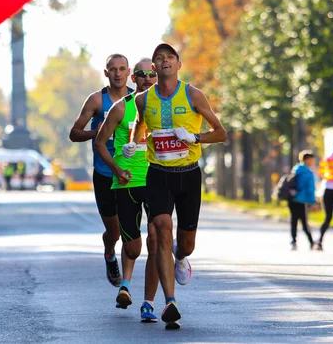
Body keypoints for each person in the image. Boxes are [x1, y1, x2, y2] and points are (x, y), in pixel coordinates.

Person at [125, 43, 227, 329]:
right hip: (158, 173)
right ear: (154, 68)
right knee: (160, 227)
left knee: (186, 244)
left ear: (178, 64)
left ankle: (181, 257)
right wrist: (134, 142)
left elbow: (220, 133)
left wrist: (195, 138)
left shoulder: (193, 94)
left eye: (169, 57)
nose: (164, 61)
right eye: (159, 58)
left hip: (189, 174)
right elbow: (139, 122)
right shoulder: (144, 100)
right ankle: (170, 302)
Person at [95, 58, 159, 322]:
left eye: (151, 73)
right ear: (136, 79)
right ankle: (125, 283)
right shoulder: (121, 108)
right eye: (142, 74)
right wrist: (116, 169)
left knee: (157, 241)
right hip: (126, 182)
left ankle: (149, 303)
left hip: (157, 180)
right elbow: (99, 142)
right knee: (132, 247)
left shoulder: (165, 107)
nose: (147, 78)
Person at [69, 53, 133, 287]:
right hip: (105, 173)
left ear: (129, 72)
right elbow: (74, 133)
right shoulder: (97, 100)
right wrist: (99, 132)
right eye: (112, 69)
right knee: (114, 232)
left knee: (130, 230)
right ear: (106, 73)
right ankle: (109, 253)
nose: (117, 73)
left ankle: (126, 283)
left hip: (130, 173)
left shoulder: (137, 100)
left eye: (122, 69)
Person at [288, 151, 316, 251]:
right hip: (302, 199)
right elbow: (310, 189)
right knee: (304, 222)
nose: (313, 162)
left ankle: (293, 242)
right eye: (312, 160)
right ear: (307, 160)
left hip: (292, 199)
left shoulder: (296, 169)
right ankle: (311, 242)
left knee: (293, 221)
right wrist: (313, 202)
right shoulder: (307, 172)